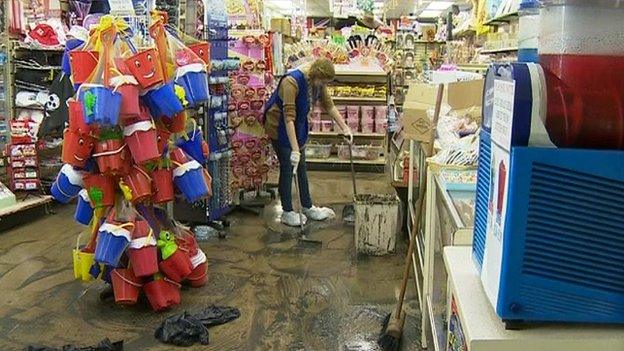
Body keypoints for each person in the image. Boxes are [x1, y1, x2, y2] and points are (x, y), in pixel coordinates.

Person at [264, 58, 353, 227]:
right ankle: (287, 211)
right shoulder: (291, 82)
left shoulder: (317, 82)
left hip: (298, 124)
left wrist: (345, 128)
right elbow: (288, 117)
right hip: (279, 125)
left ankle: (307, 206)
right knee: (288, 167)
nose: (323, 85)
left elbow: (329, 105)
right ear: (315, 76)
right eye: (323, 82)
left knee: (302, 167)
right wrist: (294, 150)